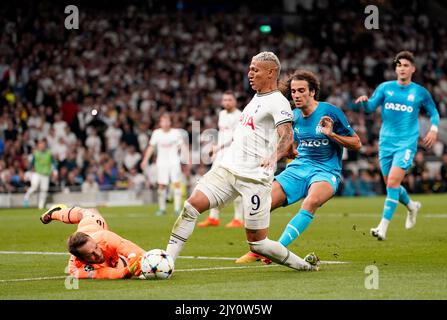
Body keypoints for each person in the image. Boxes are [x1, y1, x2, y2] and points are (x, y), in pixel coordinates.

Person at [166, 52, 319, 272]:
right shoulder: (256, 98)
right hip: (228, 169)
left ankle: (305, 266)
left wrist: (276, 155)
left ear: (271, 72)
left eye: (255, 70)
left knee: (258, 244)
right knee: (191, 206)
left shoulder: (278, 102)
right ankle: (168, 262)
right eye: (250, 69)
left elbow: (287, 134)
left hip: (254, 179)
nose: (250, 74)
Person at [236, 69, 361, 263]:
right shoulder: (293, 116)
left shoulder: (330, 112)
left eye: (301, 90)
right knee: (261, 205)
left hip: (326, 170)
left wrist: (331, 135)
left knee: (310, 202)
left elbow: (356, 143)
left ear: (312, 92)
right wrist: (286, 151)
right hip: (299, 167)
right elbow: (287, 141)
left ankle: (278, 248)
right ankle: (259, 248)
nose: (296, 95)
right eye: (293, 91)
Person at [355, 51, 440, 240]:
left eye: (406, 65)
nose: (402, 68)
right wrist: (364, 102)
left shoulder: (419, 92)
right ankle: (411, 206)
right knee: (391, 185)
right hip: (386, 143)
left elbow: (434, 112)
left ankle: (382, 228)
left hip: (406, 144)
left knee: (393, 182)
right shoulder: (385, 88)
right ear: (395, 69)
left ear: (413, 69)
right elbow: (370, 108)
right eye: (399, 65)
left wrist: (433, 129)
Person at [40, 204, 144, 279]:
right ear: (81, 259)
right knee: (118, 266)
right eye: (91, 255)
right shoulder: (76, 269)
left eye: (96, 247)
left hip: (92, 225)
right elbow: (103, 273)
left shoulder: (104, 238)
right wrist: (126, 272)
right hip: (99, 261)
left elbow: (130, 248)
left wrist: (141, 257)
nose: (98, 253)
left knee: (88, 212)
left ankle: (54, 213)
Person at [198, 91, 244, 228]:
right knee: (213, 182)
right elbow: (223, 134)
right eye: (224, 100)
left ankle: (238, 219)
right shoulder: (222, 114)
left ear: (234, 101)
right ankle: (213, 218)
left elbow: (236, 137)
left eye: (229, 100)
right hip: (221, 153)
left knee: (236, 184)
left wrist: (218, 147)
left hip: (234, 153)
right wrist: (216, 148)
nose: (227, 102)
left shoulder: (240, 116)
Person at [141, 113, 187, 216]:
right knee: (161, 185)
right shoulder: (156, 133)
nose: (165, 123)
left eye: (167, 121)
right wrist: (145, 160)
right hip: (162, 162)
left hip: (174, 161)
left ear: (170, 122)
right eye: (163, 121)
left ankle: (177, 209)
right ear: (160, 123)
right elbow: (151, 147)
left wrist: (188, 157)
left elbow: (183, 145)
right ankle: (162, 209)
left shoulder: (176, 133)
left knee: (176, 184)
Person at [23, 139, 54, 209]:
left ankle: (41, 206)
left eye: (43, 145)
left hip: (46, 174)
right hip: (37, 173)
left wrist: (54, 172)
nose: (42, 146)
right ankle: (26, 197)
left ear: (45, 146)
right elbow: (31, 164)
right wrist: (28, 173)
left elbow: (53, 163)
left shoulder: (49, 153)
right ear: (38, 146)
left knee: (44, 190)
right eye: (40, 145)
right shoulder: (36, 154)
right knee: (34, 186)